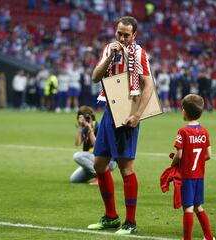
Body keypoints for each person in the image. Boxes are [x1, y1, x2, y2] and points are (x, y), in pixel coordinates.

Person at [87, 16, 154, 235]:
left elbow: (148, 87)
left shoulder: (139, 54)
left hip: (127, 114)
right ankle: (111, 217)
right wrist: (110, 58)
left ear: (134, 35)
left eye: (126, 34)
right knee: (99, 165)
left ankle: (130, 222)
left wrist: (137, 115)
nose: (122, 37)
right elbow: (96, 76)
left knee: (126, 169)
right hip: (109, 110)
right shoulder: (109, 49)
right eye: (119, 33)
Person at [171, 94, 215, 240]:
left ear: (184, 111)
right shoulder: (204, 131)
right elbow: (208, 155)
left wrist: (173, 166)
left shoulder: (182, 132)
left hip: (187, 176)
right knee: (198, 207)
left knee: (188, 208)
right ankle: (209, 237)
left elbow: (179, 155)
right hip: (199, 176)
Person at [70, 106, 117, 184]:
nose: (84, 120)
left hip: (107, 161)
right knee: (74, 179)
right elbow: (77, 143)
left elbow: (98, 147)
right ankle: (100, 175)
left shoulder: (99, 127)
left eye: (86, 117)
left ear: (91, 116)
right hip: (92, 161)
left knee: (77, 156)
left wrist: (90, 130)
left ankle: (101, 176)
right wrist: (80, 127)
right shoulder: (84, 129)